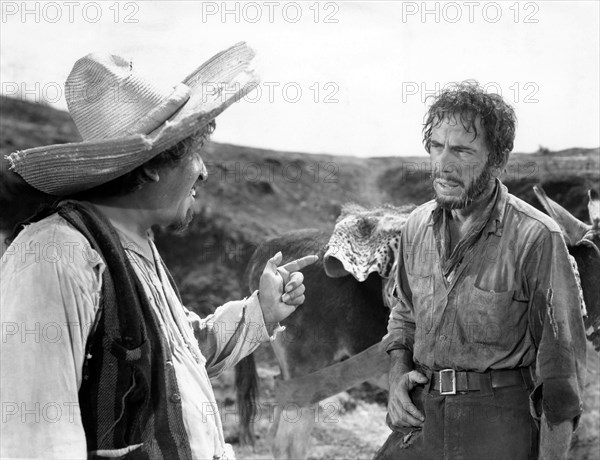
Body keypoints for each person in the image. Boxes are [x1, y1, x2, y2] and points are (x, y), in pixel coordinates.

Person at [0, 43, 317, 459]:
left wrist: (263, 311)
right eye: (193, 153)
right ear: (150, 165)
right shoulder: (56, 255)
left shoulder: (132, 244)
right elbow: (36, 440)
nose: (203, 170)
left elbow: (181, 354)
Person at [376, 81, 587, 460]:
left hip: (499, 421)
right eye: (436, 146)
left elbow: (561, 375)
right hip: (423, 415)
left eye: (462, 150)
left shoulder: (536, 237)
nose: (444, 164)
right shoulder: (415, 226)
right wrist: (396, 376)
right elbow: (404, 317)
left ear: (498, 160)